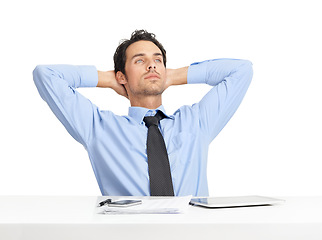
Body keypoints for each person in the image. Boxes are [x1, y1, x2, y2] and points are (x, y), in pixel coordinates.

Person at [33, 30, 253, 196]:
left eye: (158, 60)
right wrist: (109, 79)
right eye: (140, 60)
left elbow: (241, 70)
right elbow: (46, 75)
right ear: (122, 76)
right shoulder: (98, 128)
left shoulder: (196, 122)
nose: (152, 66)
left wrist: (173, 75)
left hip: (193, 234)